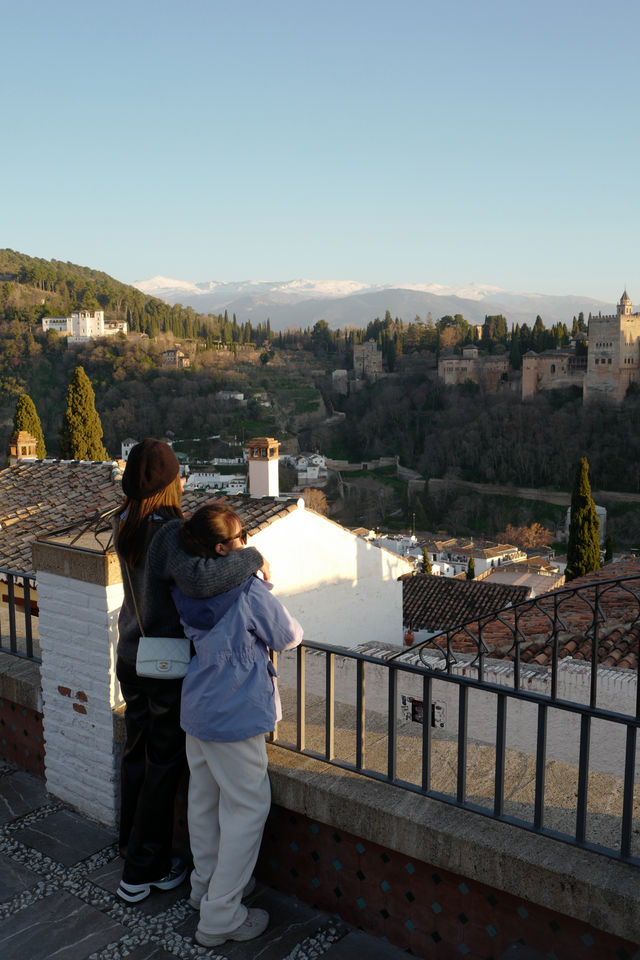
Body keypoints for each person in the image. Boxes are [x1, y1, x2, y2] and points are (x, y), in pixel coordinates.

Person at [114, 438, 266, 904]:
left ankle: (133, 848)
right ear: (172, 484)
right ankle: (143, 870)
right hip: (165, 665)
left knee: (137, 755)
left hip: (131, 655)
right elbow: (201, 580)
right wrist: (252, 557)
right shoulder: (167, 531)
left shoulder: (125, 521)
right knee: (163, 766)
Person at [171, 504, 303, 948]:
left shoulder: (186, 586)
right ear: (225, 547)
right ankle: (220, 916)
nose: (247, 540)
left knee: (204, 801)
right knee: (248, 808)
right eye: (242, 535)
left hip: (198, 706)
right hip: (236, 711)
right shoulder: (247, 591)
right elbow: (288, 636)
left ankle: (204, 888)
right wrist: (265, 583)